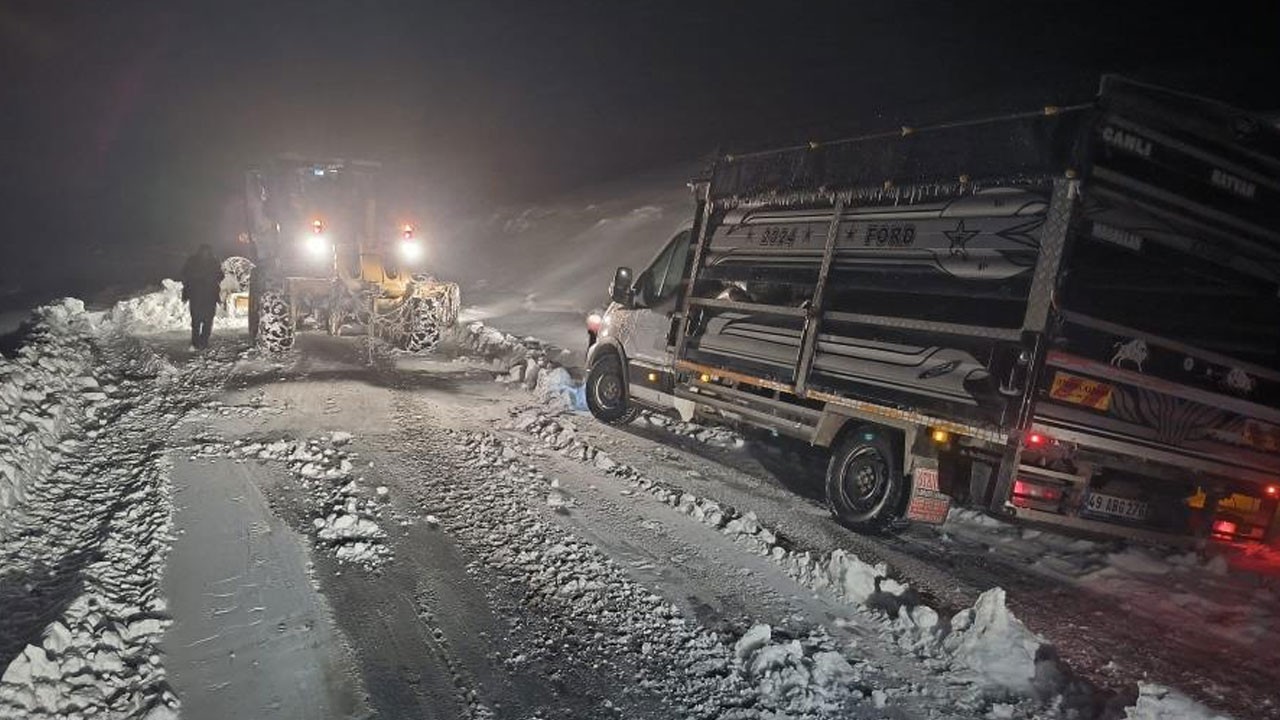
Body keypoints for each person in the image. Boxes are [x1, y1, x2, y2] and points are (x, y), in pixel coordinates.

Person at [181, 244, 224, 350]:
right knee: (198, 320)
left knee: (206, 320)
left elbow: (220, 275)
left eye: (207, 252)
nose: (205, 254)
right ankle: (198, 342)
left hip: (206, 295)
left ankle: (202, 341)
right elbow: (185, 274)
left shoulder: (213, 261)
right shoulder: (195, 261)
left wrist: (211, 279)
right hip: (199, 295)